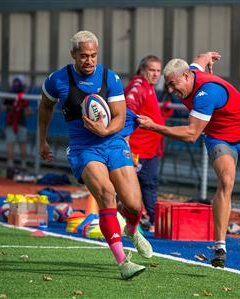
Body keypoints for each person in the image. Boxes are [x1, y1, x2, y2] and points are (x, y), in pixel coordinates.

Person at [137, 52, 240, 268]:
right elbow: (200, 58)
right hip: (219, 137)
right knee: (226, 182)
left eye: (173, 84)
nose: (171, 91)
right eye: (168, 85)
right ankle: (220, 246)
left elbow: (191, 135)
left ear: (187, 77)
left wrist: (154, 126)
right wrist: (209, 56)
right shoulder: (192, 71)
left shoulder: (207, 93)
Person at [38, 30, 152, 280]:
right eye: (84, 56)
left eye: (93, 55)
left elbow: (120, 116)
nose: (89, 60)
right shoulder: (58, 80)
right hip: (83, 148)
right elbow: (45, 106)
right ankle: (123, 262)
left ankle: (132, 228)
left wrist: (106, 129)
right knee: (106, 194)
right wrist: (42, 139)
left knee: (134, 204)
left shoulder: (110, 78)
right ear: (73, 55)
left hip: (113, 142)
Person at [124, 55, 170, 232]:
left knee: (147, 184)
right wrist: (126, 139)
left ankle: (146, 218)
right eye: (152, 70)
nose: (156, 74)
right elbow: (128, 108)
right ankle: (148, 219)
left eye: (158, 71)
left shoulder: (147, 87)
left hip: (149, 149)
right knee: (141, 185)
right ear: (142, 69)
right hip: (137, 149)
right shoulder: (138, 85)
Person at [4, 75, 32, 178]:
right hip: (19, 124)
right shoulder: (23, 96)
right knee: (22, 145)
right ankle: (23, 166)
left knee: (11, 145)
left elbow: (3, 107)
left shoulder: (10, 95)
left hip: (11, 123)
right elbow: (28, 111)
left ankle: (10, 166)